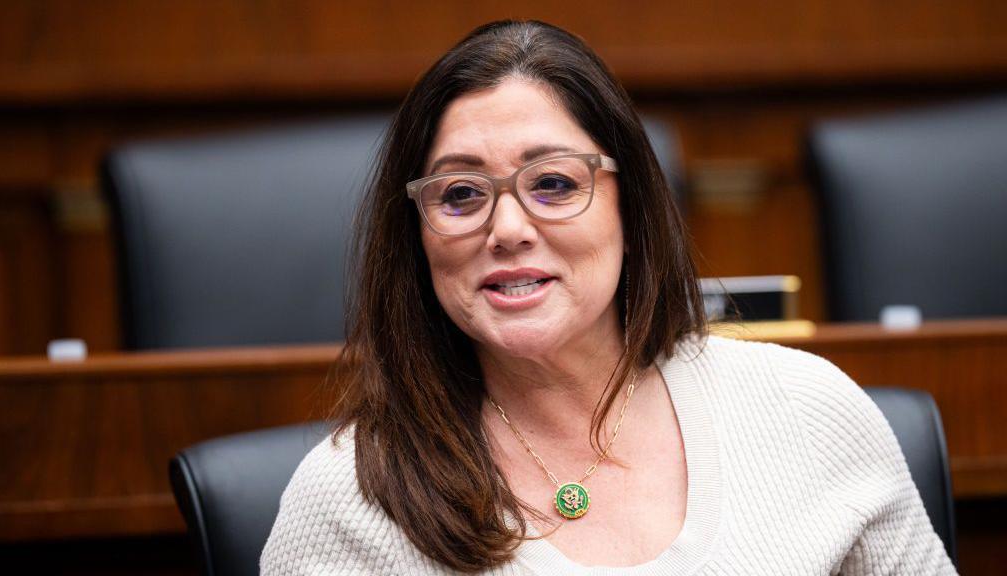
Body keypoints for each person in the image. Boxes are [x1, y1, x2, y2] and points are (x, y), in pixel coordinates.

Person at [261, 20, 956, 575]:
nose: (507, 229)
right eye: (461, 194)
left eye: (555, 184)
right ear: (415, 235)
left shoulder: (810, 411)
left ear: (633, 206)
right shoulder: (348, 502)